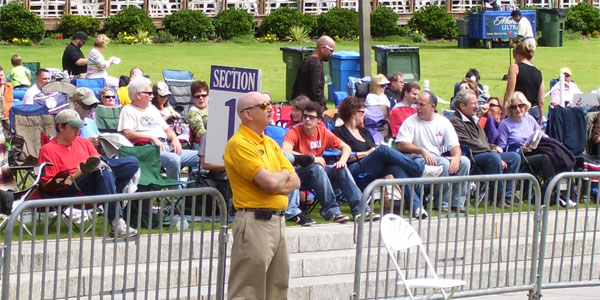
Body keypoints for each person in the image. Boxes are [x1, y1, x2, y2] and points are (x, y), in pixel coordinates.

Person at [224, 91, 300, 300]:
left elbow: (295, 181)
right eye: (264, 106)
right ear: (247, 114)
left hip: (277, 221)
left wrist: (279, 179)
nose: (271, 108)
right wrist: (281, 177)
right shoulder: (239, 144)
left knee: (277, 288)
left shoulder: (269, 143)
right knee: (247, 290)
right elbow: (269, 182)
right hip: (255, 222)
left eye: (270, 103)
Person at [333, 96, 443, 218]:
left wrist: (374, 152)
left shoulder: (364, 132)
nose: (364, 115)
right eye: (362, 112)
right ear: (353, 113)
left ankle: (416, 208)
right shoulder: (339, 133)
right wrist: (369, 153)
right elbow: (343, 157)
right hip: (353, 172)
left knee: (395, 168)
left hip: (372, 170)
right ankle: (420, 169)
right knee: (384, 150)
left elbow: (374, 150)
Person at [38, 109, 140, 238]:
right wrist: (77, 174)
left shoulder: (83, 142)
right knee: (103, 169)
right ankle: (117, 222)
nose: (78, 131)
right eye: (73, 127)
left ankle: (110, 184)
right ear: (61, 127)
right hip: (70, 185)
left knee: (132, 163)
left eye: (79, 127)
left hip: (95, 180)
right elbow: (47, 185)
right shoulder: (48, 150)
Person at [282, 102, 377, 223]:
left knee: (340, 169)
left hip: (319, 172)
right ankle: (332, 211)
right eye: (305, 116)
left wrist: (342, 161)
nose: (307, 120)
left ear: (319, 120)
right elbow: (285, 152)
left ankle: (361, 210)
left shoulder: (323, 132)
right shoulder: (294, 131)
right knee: (316, 167)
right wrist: (312, 158)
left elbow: (346, 147)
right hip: (297, 171)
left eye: (311, 117)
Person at [497, 92, 577, 207]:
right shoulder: (504, 125)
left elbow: (541, 134)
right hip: (518, 158)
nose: (518, 109)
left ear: (525, 106)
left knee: (556, 157)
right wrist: (520, 150)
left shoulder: (529, 119)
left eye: (521, 106)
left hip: (535, 151)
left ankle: (563, 194)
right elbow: (503, 148)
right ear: (509, 109)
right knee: (545, 158)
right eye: (514, 107)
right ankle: (551, 194)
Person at [396, 91, 471, 212]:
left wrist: (456, 157)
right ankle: (442, 203)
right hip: (417, 159)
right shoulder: (410, 121)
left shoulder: (443, 122)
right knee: (444, 163)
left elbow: (455, 145)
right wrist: (422, 151)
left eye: (422, 105)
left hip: (437, 157)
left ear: (432, 107)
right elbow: (401, 145)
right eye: (417, 104)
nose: (418, 108)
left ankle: (457, 203)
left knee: (465, 162)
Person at [118, 77, 199, 181]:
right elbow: (127, 133)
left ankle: (194, 190)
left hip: (167, 147)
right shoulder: (128, 110)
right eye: (149, 93)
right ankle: (176, 194)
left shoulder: (151, 109)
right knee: (173, 160)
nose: (152, 96)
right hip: (148, 150)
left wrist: (174, 138)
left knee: (201, 157)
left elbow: (167, 130)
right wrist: (151, 138)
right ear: (138, 95)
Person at [450, 90, 521, 206]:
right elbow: (468, 143)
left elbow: (483, 140)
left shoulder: (473, 119)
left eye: (476, 103)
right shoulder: (455, 122)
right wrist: (491, 152)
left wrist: (493, 147)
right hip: (471, 156)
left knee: (514, 157)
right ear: (462, 106)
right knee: (493, 158)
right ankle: (498, 198)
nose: (477, 106)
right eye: (473, 103)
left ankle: (508, 196)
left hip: (485, 152)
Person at [503, 42, 544, 124]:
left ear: (518, 55)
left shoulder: (515, 68)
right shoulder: (538, 73)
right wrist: (540, 120)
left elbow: (509, 93)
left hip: (518, 110)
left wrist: (504, 113)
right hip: (534, 112)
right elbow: (541, 101)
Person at [291, 35, 335, 110]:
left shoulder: (305, 61)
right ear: (322, 48)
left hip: (299, 106)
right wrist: (323, 110)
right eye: (331, 50)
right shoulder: (316, 65)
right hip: (309, 110)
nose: (332, 54)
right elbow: (316, 92)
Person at [186, 81, 209, 147]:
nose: (201, 98)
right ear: (193, 98)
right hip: (203, 146)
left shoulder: (214, 108)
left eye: (203, 95)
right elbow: (201, 133)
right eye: (197, 96)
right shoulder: (193, 112)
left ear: (208, 95)